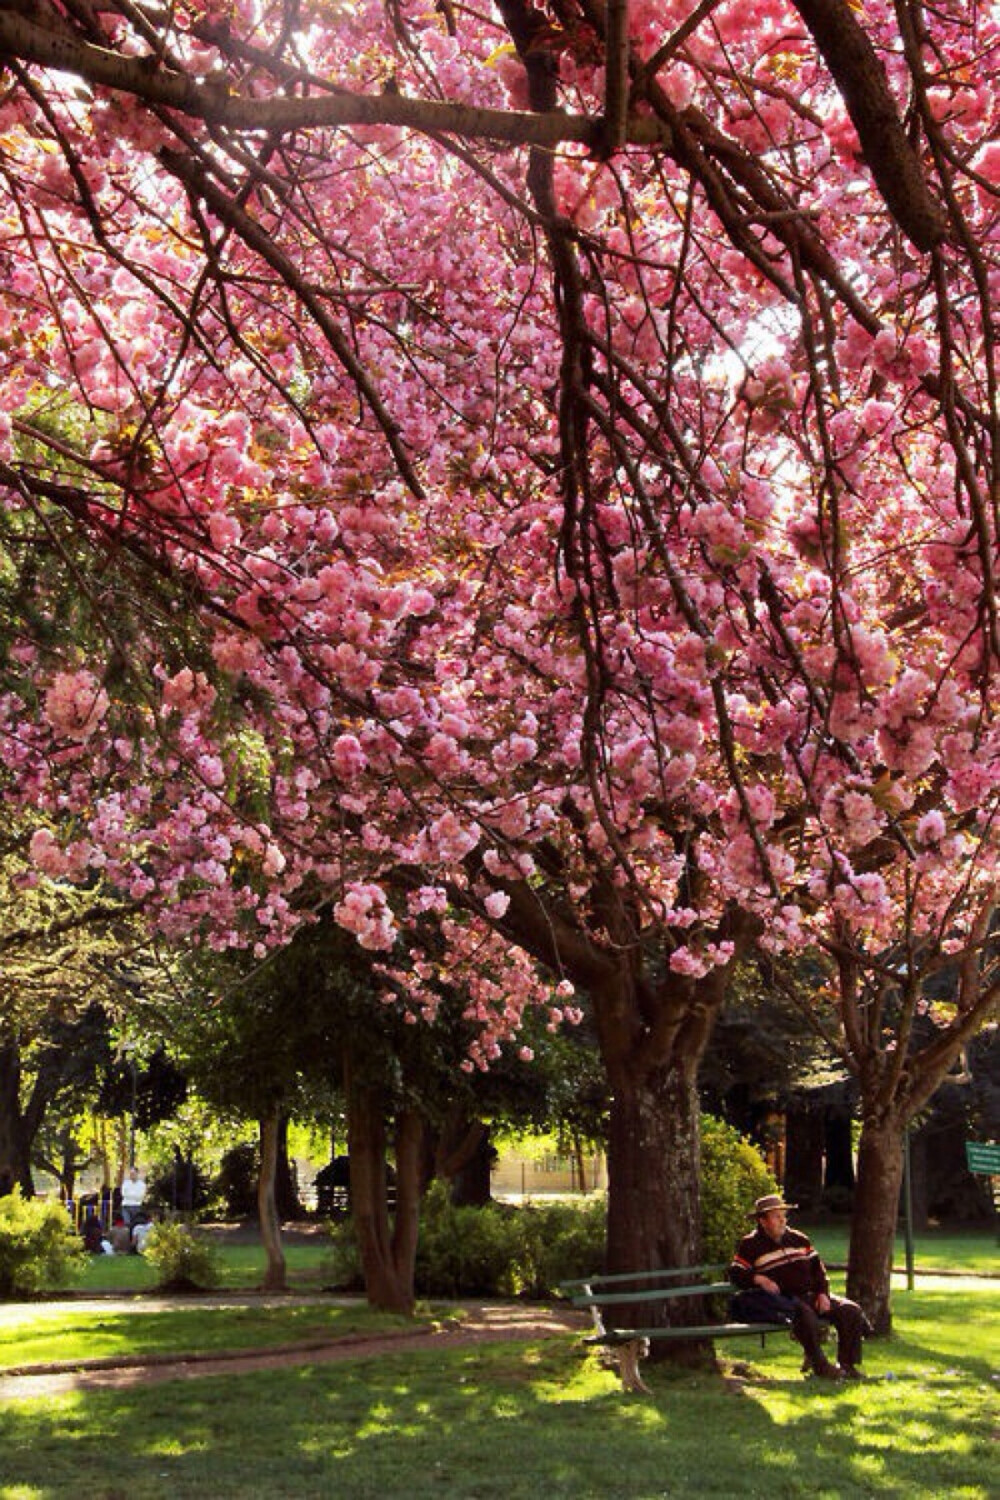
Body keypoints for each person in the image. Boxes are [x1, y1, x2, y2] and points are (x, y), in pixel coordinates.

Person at [729, 1193, 867, 1381]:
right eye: (776, 1216)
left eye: (783, 1216)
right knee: (803, 1313)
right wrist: (758, 1279)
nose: (782, 1220)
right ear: (763, 1221)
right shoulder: (751, 1245)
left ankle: (848, 1366)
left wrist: (822, 1294)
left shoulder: (799, 1239)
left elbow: (818, 1270)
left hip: (811, 1294)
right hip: (786, 1300)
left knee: (850, 1310)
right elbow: (736, 1272)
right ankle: (821, 1366)